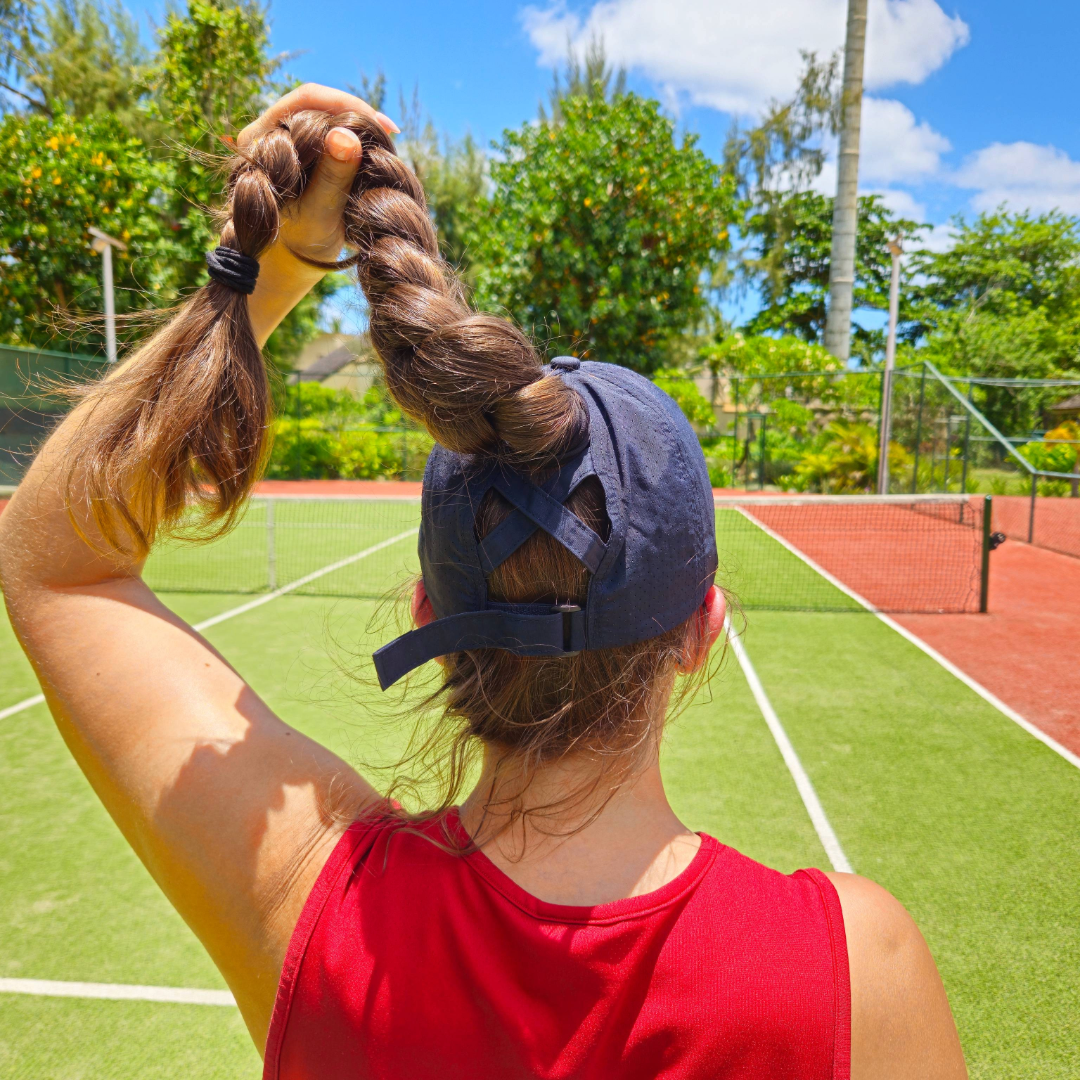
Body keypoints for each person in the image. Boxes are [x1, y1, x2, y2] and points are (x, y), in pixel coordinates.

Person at [0, 85, 967, 1080]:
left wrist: (275, 262)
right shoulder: (856, 967)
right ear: (699, 629)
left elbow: (55, 564)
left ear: (431, 615)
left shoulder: (318, 909)